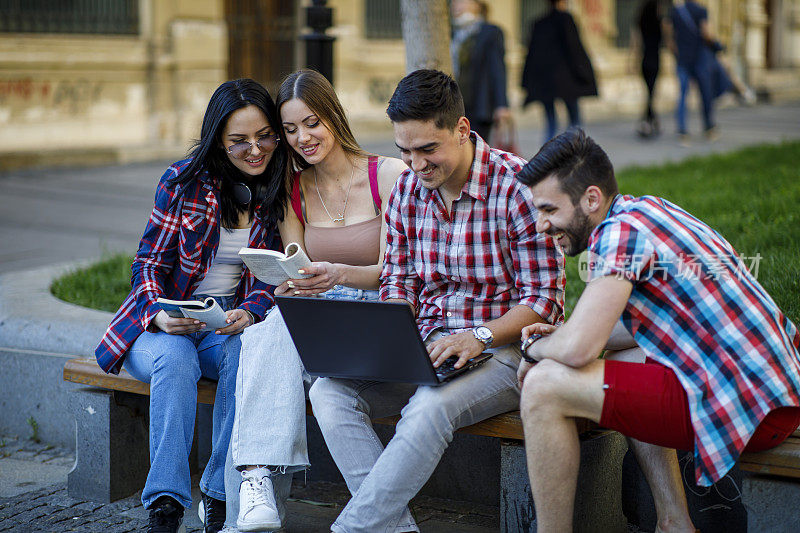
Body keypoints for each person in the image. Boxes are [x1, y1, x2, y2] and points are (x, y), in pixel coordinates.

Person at [308, 69, 565, 533]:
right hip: (423, 346)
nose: (416, 164)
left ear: (463, 130)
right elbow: (398, 279)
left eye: (428, 149)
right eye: (405, 151)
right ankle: (392, 528)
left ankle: (353, 528)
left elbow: (545, 301)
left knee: (430, 405)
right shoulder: (407, 187)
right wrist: (386, 334)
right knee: (329, 392)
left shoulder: (520, 189)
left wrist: (478, 336)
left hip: (500, 352)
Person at [514, 128, 800, 532]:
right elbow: (633, 331)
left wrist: (535, 350)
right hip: (772, 389)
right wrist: (561, 336)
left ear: (591, 199)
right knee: (625, 357)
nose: (541, 225)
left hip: (753, 410)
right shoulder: (647, 211)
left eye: (548, 210)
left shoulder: (619, 236)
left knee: (544, 386)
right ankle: (674, 523)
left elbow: (579, 350)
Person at [94, 79, 289, 533]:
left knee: (247, 355)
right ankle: (165, 504)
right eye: (239, 140)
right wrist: (158, 314)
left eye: (264, 136)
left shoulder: (276, 190)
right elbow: (146, 262)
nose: (255, 149)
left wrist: (252, 312)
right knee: (176, 359)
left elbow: (269, 277)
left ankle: (219, 495)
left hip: (223, 323)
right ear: (218, 138)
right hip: (162, 322)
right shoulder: (183, 182)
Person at [228, 69, 407, 532]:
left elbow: (399, 272)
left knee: (271, 339)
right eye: (289, 130)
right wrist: (292, 283)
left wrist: (342, 275)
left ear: (333, 115)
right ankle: (257, 486)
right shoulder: (294, 189)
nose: (302, 138)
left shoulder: (387, 176)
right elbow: (297, 264)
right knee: (268, 330)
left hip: (378, 316)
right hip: (323, 321)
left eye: (311, 123)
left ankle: (253, 483)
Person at [521, 0, 597, 143]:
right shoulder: (566, 20)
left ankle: (548, 159)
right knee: (574, 120)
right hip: (567, 80)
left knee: (550, 122)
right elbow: (574, 49)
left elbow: (531, 54)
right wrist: (584, 74)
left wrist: (527, 82)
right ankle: (574, 155)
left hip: (545, 82)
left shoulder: (539, 23)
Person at [665, 0, 726, 142]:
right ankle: (709, 127)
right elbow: (706, 33)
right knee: (705, 94)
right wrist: (717, 46)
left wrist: (678, 54)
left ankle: (682, 131)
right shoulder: (700, 10)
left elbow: (668, 37)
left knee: (682, 95)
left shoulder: (675, 11)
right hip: (699, 60)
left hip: (682, 60)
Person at [450, 0, 511, 142]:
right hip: (455, 101)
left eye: (462, 1)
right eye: (454, 2)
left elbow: (497, 69)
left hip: (479, 102)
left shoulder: (490, 32)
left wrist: (501, 104)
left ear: (477, 5)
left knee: (476, 147)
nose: (456, 5)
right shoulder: (451, 32)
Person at [634, 0, 664, 138]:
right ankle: (647, 122)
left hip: (644, 60)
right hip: (655, 60)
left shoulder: (641, 21)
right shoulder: (660, 22)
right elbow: (667, 40)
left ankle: (651, 120)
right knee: (651, 93)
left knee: (649, 92)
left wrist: (632, 61)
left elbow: (636, 43)